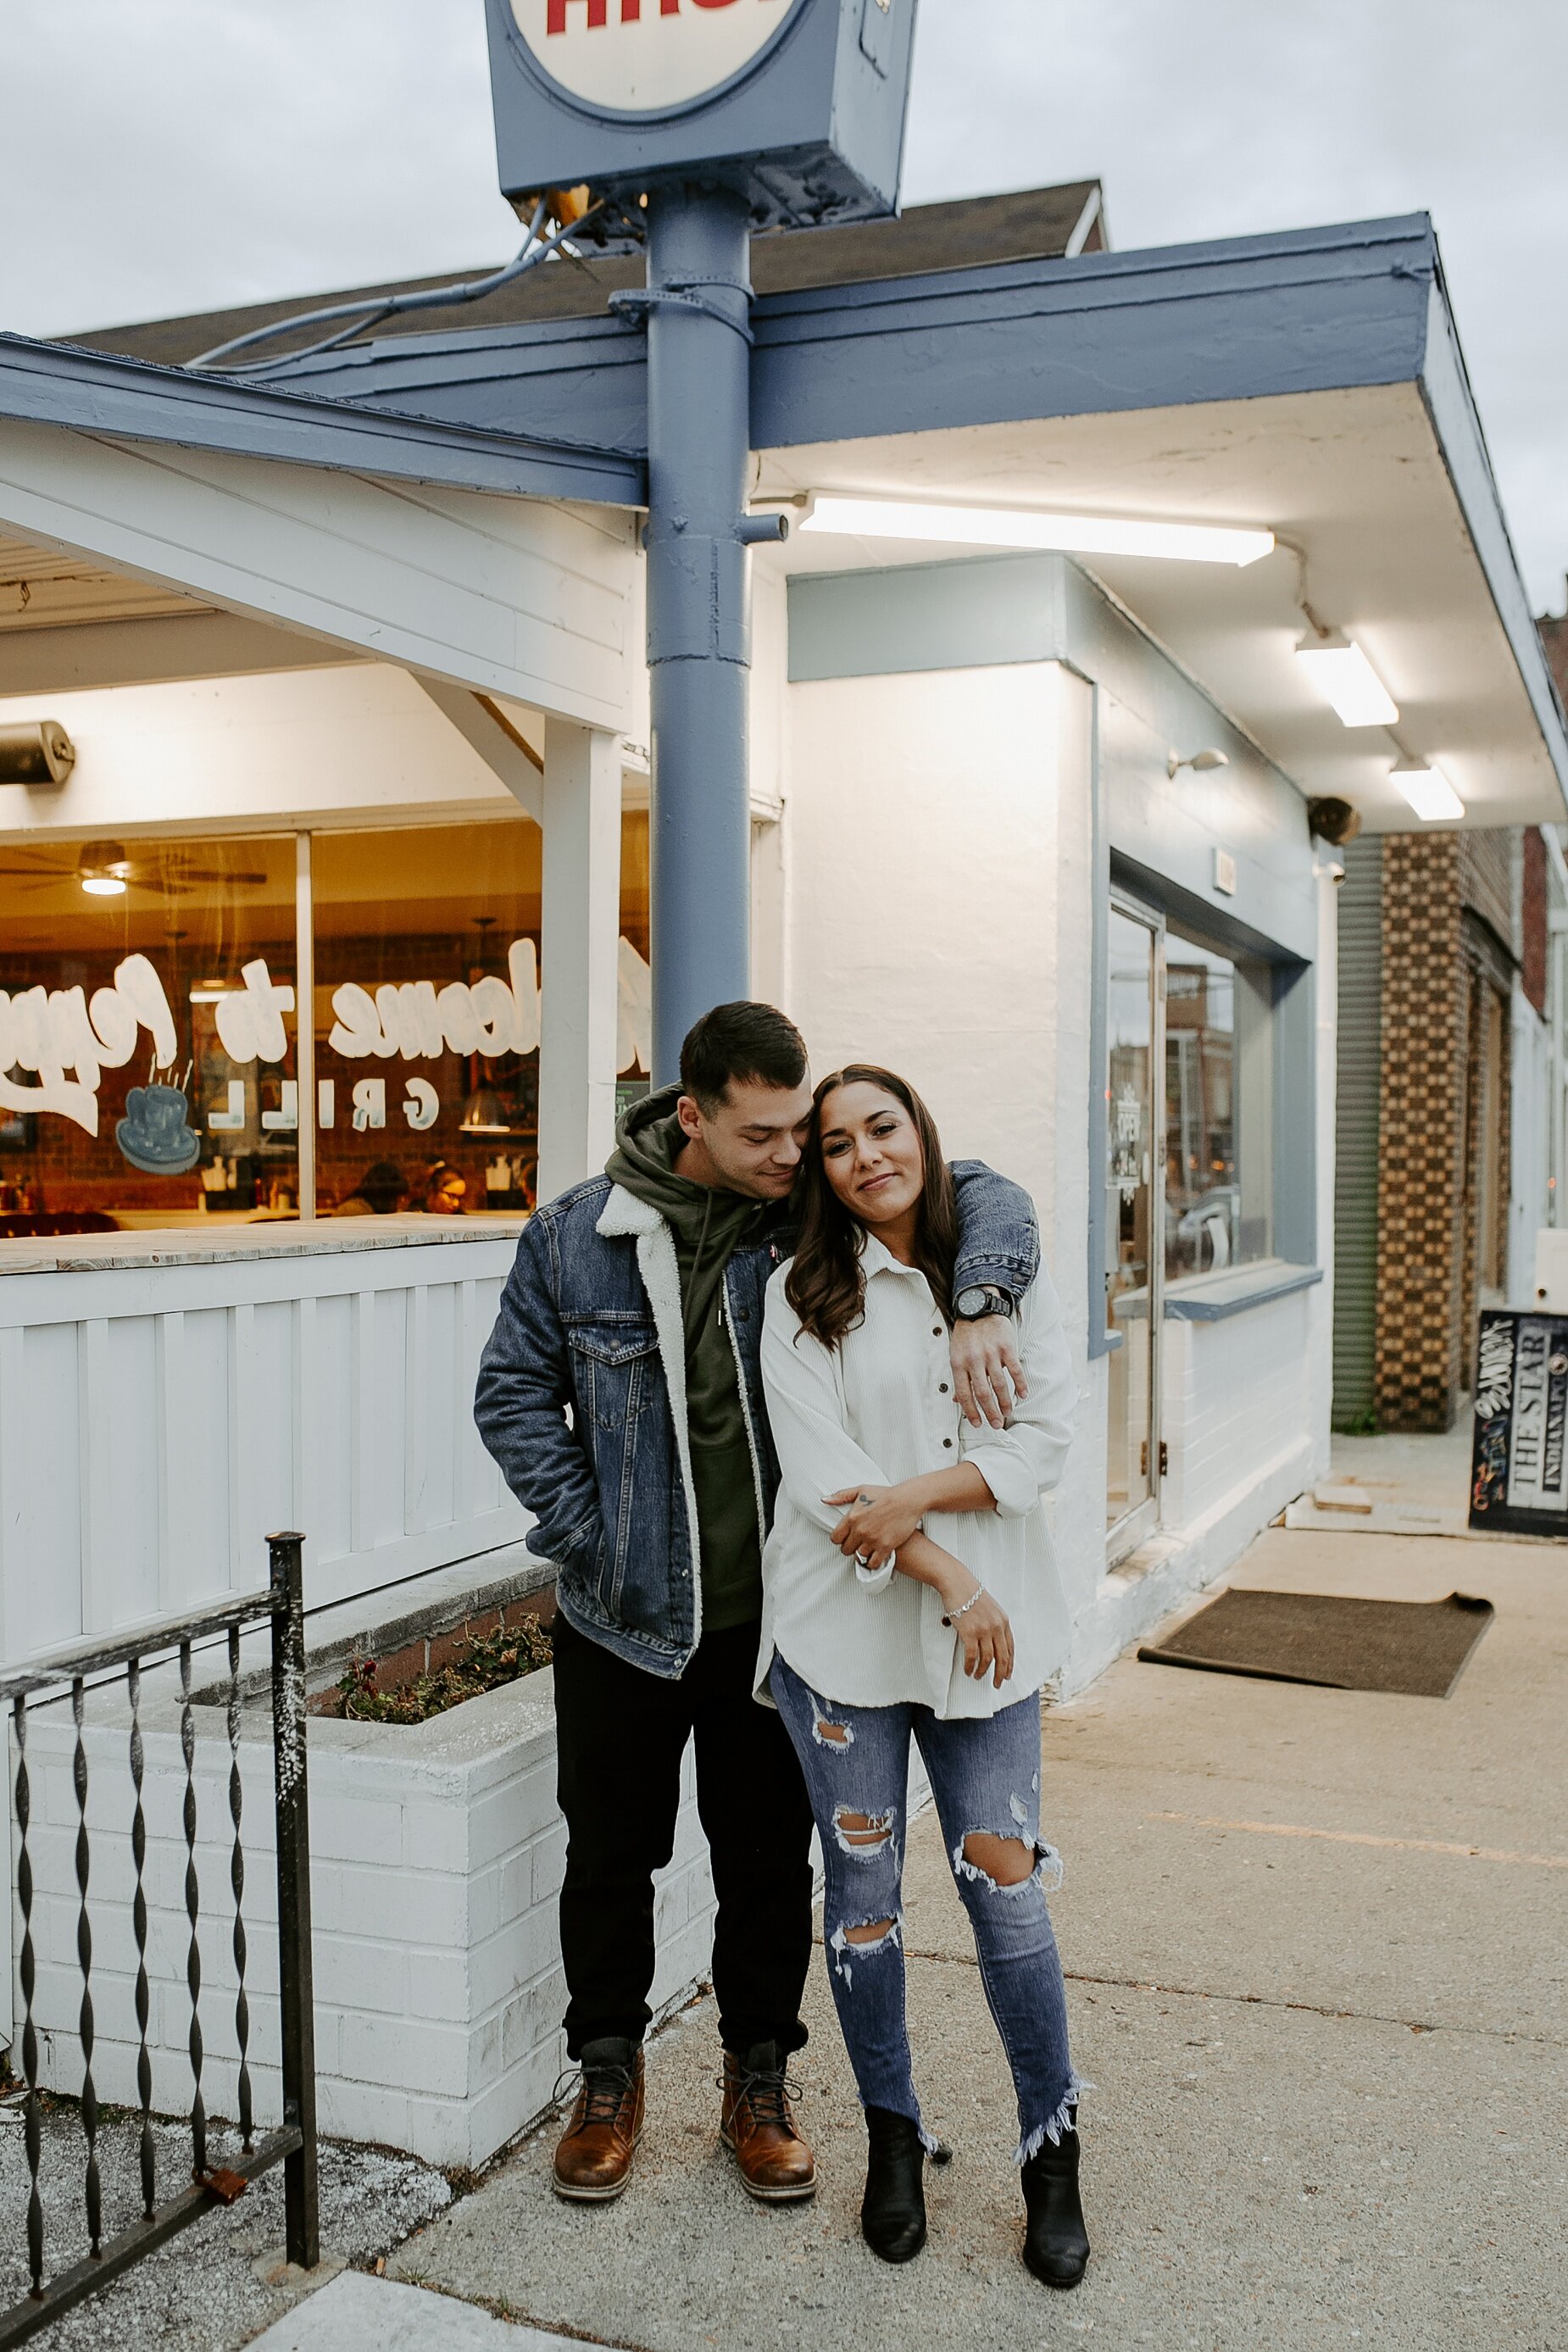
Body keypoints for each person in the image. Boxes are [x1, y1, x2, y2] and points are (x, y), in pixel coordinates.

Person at [474, 1004, 1039, 2210]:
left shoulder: (800, 1217)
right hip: (620, 1618)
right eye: (764, 1135)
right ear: (692, 1116)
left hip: (780, 1617)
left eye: (805, 1135)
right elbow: (513, 1396)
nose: (794, 1157)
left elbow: (979, 1185)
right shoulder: (577, 1235)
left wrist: (984, 1297)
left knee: (766, 1867)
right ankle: (608, 2076)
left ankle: (759, 2078)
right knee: (610, 1857)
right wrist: (592, 1538)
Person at [757, 1063, 1087, 2288]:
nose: (863, 1157)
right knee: (863, 1902)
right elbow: (822, 1483)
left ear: (921, 1132)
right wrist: (943, 1565)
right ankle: (890, 2140)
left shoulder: (996, 1275)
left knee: (1005, 1893)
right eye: (835, 1144)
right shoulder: (802, 1292)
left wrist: (909, 1504)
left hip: (990, 1649)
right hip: (846, 1633)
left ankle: (1049, 2156)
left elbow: (1042, 1442)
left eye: (880, 1129)